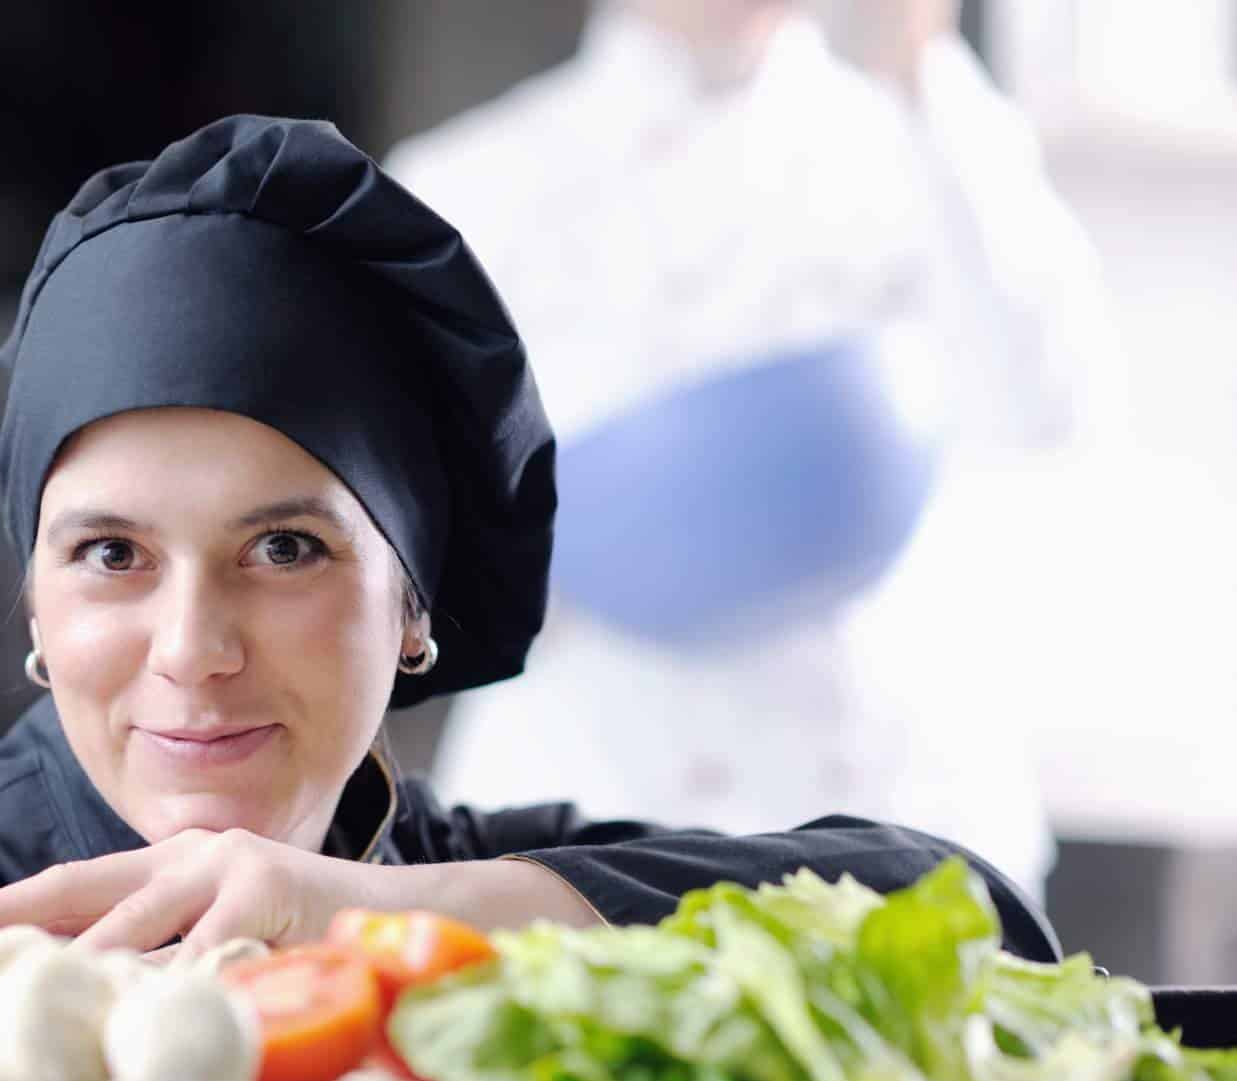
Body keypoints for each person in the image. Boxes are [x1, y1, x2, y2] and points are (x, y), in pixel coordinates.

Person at [0, 116, 1058, 1038]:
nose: (192, 647)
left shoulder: (458, 887)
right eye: (110, 555)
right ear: (38, 607)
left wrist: (389, 921)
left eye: (286, 548)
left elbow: (969, 913)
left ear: (415, 607)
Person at [386, 0, 1124, 901]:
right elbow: (392, 535)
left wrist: (918, 64)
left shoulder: (923, 133)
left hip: (891, 798)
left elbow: (1050, 403)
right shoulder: (464, 185)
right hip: (591, 801)